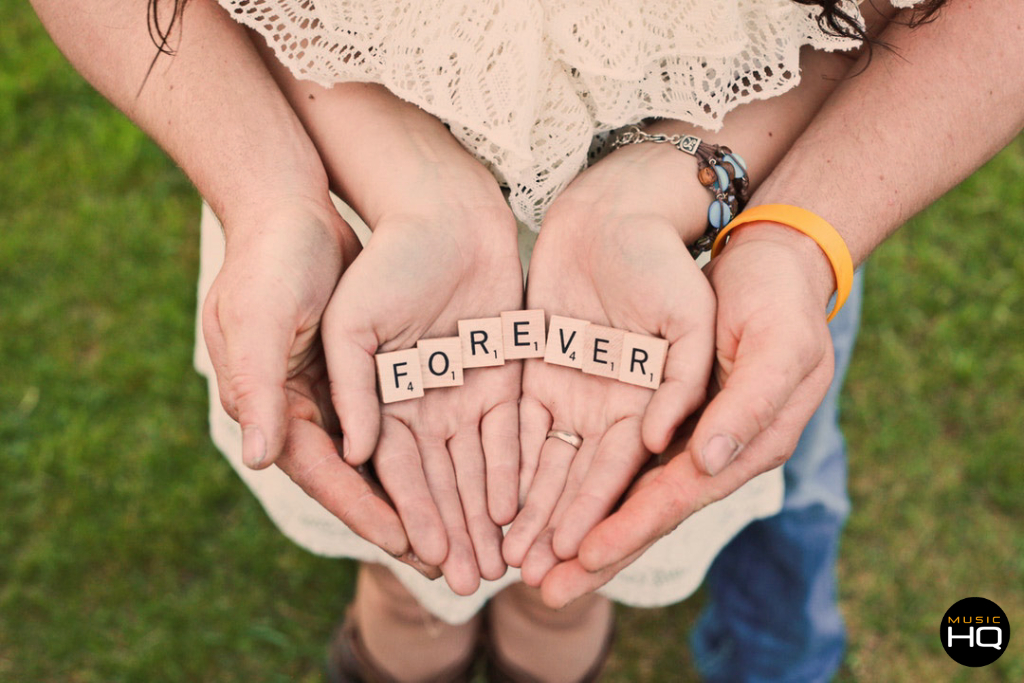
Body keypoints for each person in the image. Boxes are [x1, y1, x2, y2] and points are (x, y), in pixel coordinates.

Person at [29, 1, 1022, 682]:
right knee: (411, 577)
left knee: (570, 578)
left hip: (714, 235)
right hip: (348, 192)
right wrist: (271, 196)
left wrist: (795, 236)